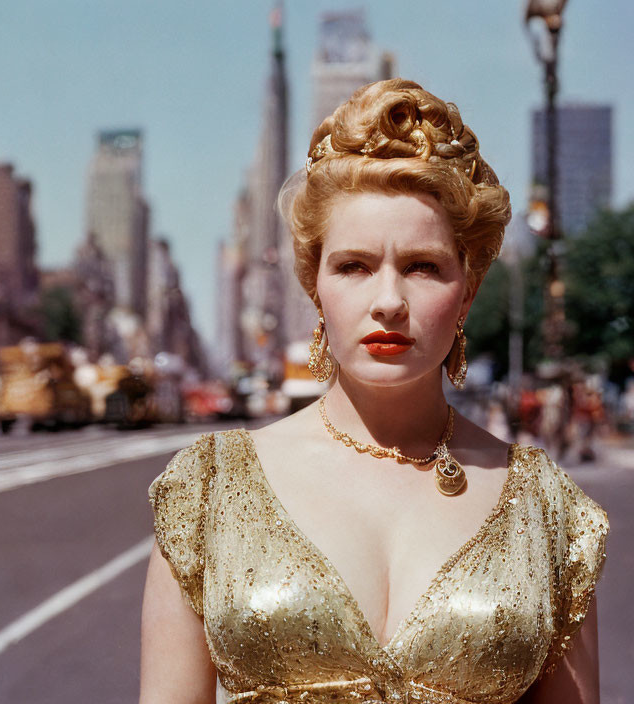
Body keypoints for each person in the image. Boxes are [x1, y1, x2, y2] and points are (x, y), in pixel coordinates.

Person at [139, 79, 609, 704]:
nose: (388, 302)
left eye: (423, 266)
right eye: (354, 266)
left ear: (467, 291)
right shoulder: (208, 492)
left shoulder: (548, 512)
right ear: (315, 284)